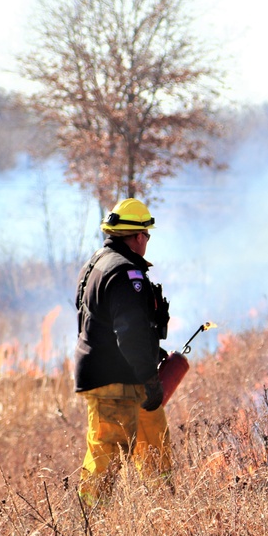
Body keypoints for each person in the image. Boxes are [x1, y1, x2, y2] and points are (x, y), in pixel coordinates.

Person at [74, 198, 172, 507]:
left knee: (155, 443)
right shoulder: (125, 273)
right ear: (139, 236)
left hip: (127, 377)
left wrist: (150, 359)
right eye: (147, 234)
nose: (147, 241)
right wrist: (149, 376)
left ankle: (164, 512)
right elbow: (129, 333)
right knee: (107, 454)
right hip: (116, 380)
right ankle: (90, 524)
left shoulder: (98, 264)